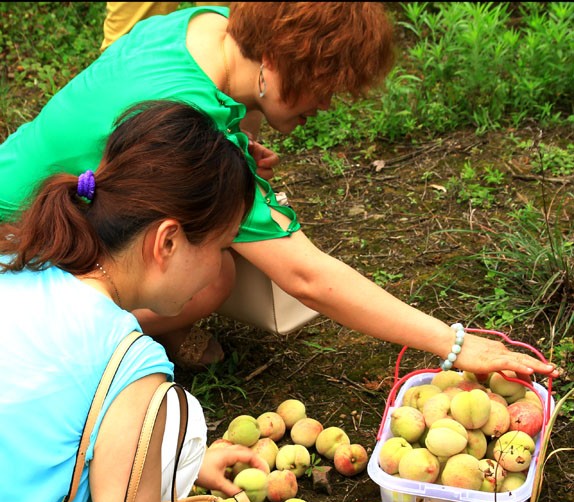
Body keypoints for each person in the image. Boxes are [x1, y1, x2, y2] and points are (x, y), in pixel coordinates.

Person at [0, 3, 559, 380]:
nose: (326, 106)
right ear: (277, 61)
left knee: (215, 269)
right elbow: (308, 276)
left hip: (28, 176)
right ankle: (70, 348)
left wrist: (239, 145)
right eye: (324, 86)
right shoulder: (190, 115)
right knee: (209, 281)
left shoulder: (210, 25)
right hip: (23, 232)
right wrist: (453, 345)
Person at [0, 99, 310, 502]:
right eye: (220, 248)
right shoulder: (131, 366)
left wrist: (177, 465)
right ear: (167, 241)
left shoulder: (15, 266)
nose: (220, 267)